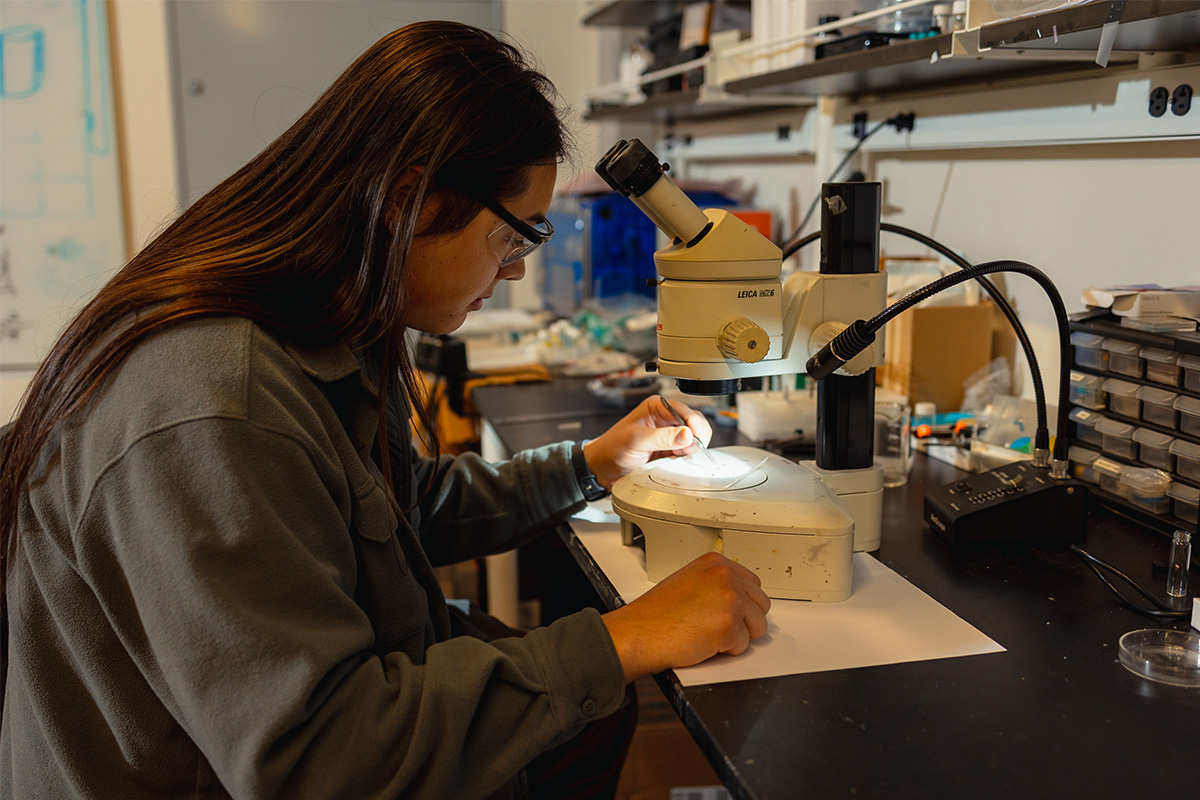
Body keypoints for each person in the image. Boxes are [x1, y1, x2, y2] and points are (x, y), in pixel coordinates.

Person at [0, 21, 770, 800]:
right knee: (587, 700)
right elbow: (316, 763)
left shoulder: (317, 330)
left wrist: (592, 464)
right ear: (411, 198)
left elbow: (401, 508)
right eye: (511, 239)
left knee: (589, 720)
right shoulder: (212, 410)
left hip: (315, 723)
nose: (513, 274)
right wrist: (624, 637)